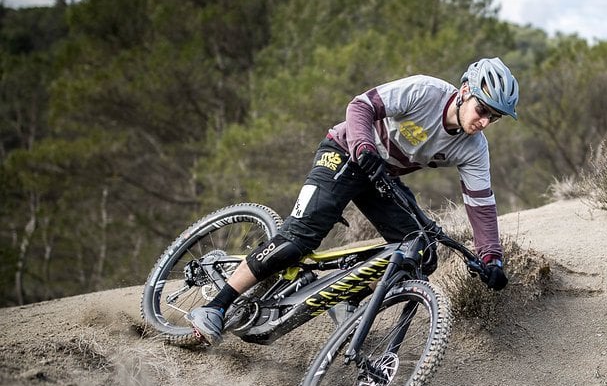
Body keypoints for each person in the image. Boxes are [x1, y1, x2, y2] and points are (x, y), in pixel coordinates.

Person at [186, 57, 518, 346]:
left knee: (422, 252)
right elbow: (361, 106)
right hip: (345, 152)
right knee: (299, 239)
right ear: (463, 92)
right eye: (482, 110)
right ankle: (216, 305)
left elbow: (481, 205)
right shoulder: (425, 90)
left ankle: (347, 298)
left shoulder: (474, 149)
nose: (485, 122)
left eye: (494, 118)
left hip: (380, 176)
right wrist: (363, 147)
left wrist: (491, 257)